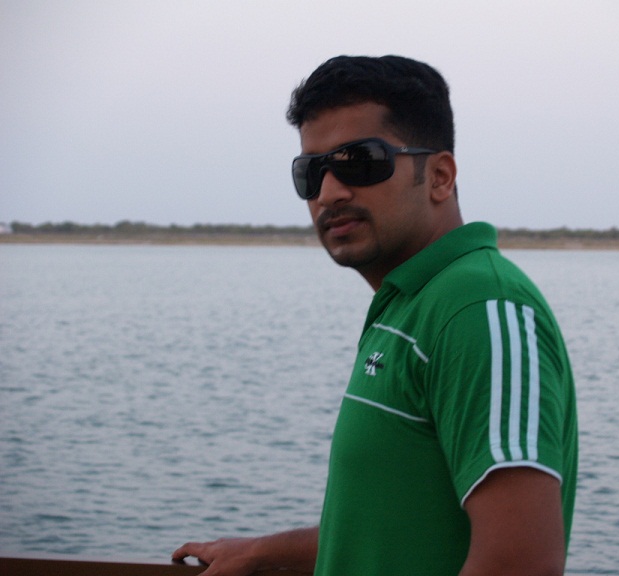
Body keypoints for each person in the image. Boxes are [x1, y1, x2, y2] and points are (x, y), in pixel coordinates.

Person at [173, 55, 578, 576]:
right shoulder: (412, 303)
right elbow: (392, 528)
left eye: (360, 162)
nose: (329, 192)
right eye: (311, 171)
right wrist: (260, 554)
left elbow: (522, 564)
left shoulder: (477, 308)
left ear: (439, 177)